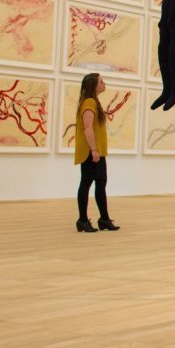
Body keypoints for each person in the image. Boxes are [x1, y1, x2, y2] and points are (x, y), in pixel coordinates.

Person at [74, 73, 120, 232]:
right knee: (86, 184)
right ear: (94, 85)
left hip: (97, 151)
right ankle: (82, 220)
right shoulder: (89, 102)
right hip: (91, 151)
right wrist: (93, 150)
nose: (104, 83)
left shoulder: (93, 102)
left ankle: (104, 219)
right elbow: (87, 128)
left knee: (100, 184)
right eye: (101, 81)